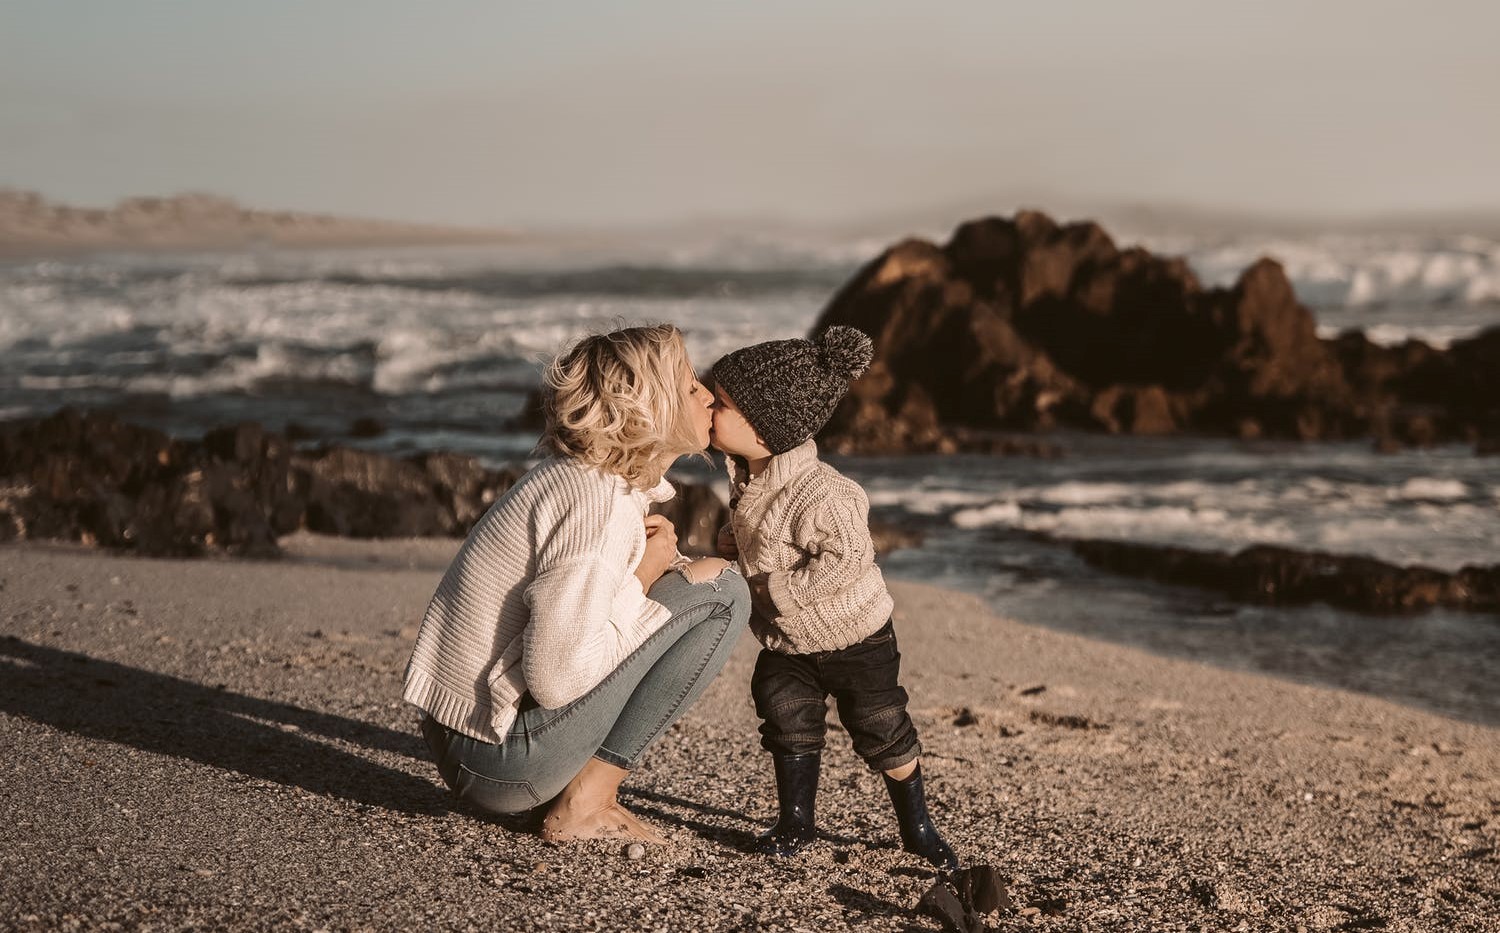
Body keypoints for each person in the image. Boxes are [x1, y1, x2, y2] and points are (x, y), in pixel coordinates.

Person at [403, 324, 750, 844]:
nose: (706, 394)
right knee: (722, 594)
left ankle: (578, 792)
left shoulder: (589, 479)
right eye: (688, 385)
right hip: (497, 761)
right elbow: (558, 678)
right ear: (647, 406)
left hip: (473, 739)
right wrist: (643, 576)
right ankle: (587, 803)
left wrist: (646, 574)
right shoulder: (598, 503)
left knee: (693, 583)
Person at [708, 325, 960, 873]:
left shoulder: (825, 492)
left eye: (720, 403)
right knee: (784, 714)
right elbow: (763, 535)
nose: (707, 405)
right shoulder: (750, 476)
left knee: (881, 725)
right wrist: (732, 544)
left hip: (856, 638)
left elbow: (845, 559)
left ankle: (917, 825)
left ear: (765, 426)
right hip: (787, 640)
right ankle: (796, 820)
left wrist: (777, 589)